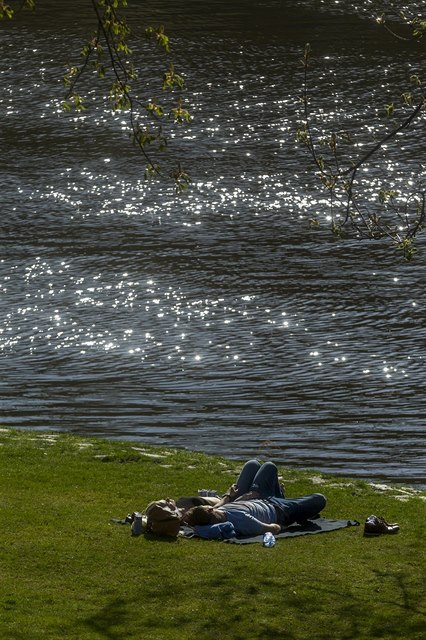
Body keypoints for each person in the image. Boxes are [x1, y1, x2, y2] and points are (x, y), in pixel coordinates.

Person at [184, 459, 326, 537]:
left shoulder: (216, 514)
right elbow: (272, 528)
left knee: (263, 465)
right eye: (208, 507)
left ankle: (280, 495)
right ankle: (284, 500)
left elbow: (220, 505)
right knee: (320, 499)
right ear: (209, 511)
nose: (212, 506)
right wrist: (285, 525)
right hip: (278, 510)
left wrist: (230, 495)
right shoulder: (241, 521)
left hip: (259, 498)